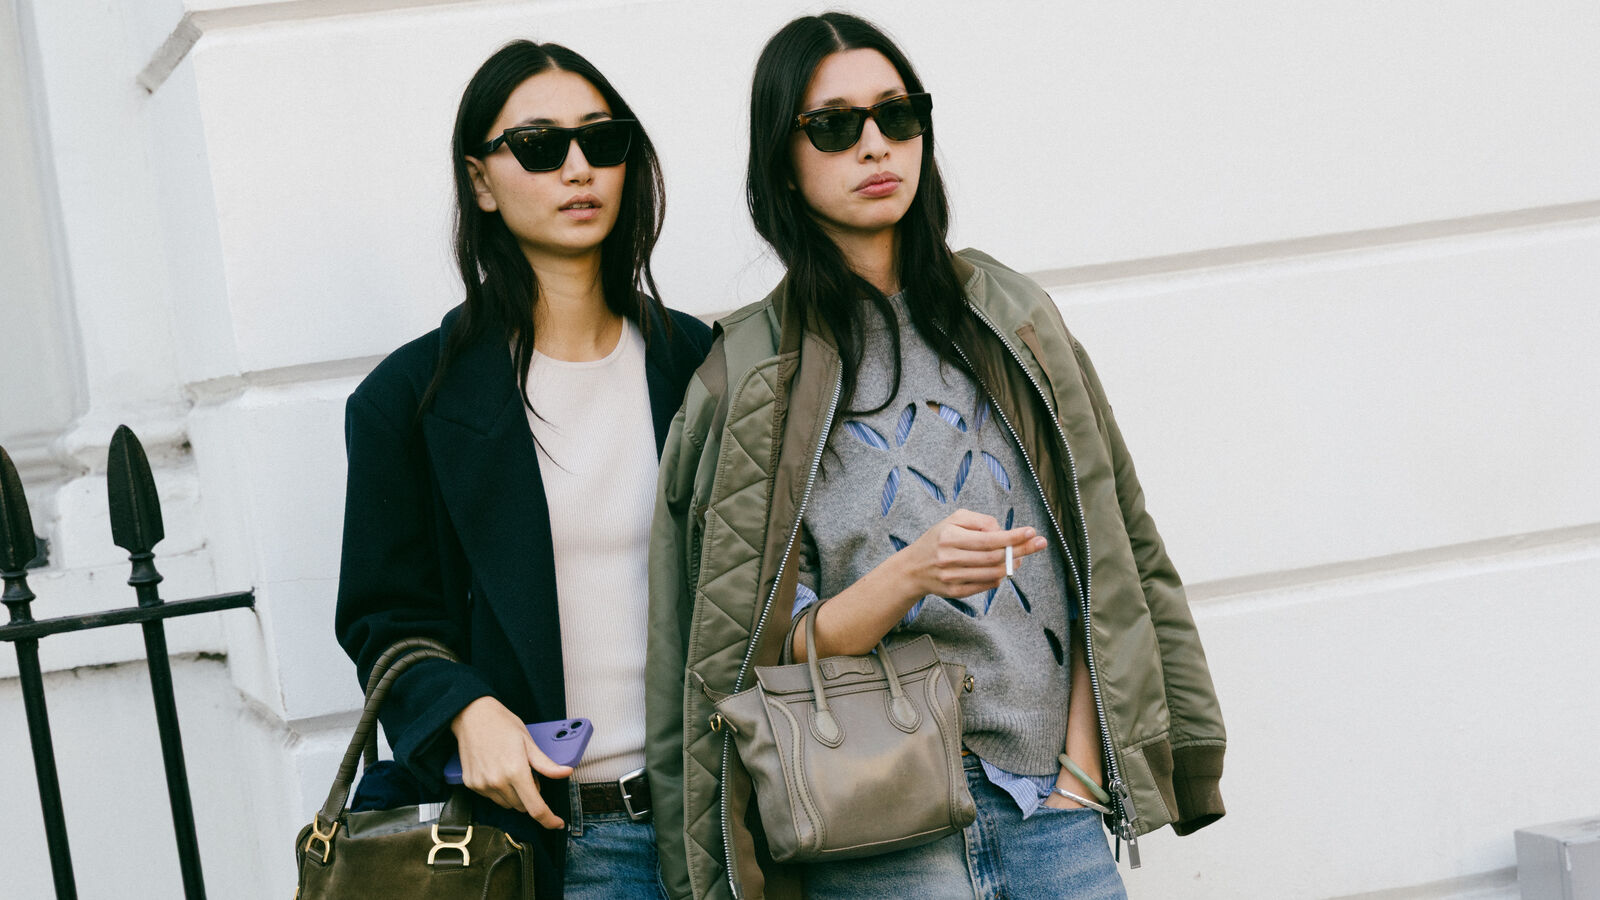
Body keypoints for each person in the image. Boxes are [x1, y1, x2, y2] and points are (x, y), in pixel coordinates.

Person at [646, 13, 1225, 900]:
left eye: (898, 116)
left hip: (1050, 812)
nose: (875, 146)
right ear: (785, 165)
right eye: (835, 127)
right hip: (879, 825)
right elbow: (758, 649)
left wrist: (1080, 772)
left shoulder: (1010, 314)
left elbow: (1111, 552)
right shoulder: (750, 376)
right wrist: (909, 575)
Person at [336, 40, 712, 899]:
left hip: (714, 831)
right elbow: (384, 617)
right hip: (542, 846)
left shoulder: (699, 363)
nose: (578, 167)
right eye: (540, 147)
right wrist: (465, 710)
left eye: (601, 141)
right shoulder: (409, 400)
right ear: (481, 181)